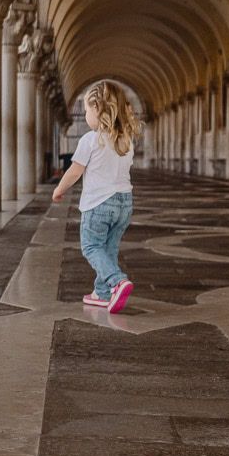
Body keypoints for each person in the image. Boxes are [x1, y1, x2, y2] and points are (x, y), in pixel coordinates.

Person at [52, 81, 140, 314]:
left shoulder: (90, 139)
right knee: (108, 249)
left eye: (86, 110)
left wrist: (59, 189)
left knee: (91, 246)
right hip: (124, 203)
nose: (85, 114)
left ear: (97, 109)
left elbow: (74, 171)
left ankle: (117, 281)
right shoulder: (126, 140)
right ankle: (101, 293)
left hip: (98, 203)